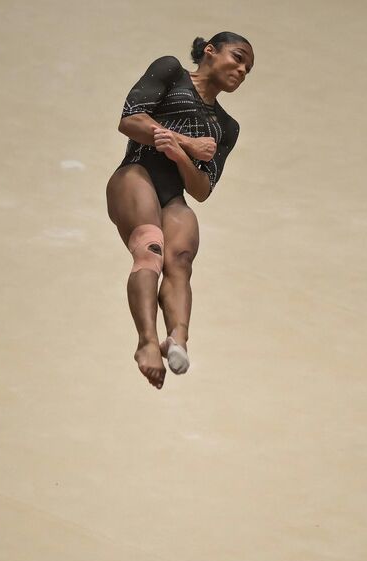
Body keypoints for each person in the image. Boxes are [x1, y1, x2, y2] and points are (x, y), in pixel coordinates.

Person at [106, 32, 254, 389]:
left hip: (175, 197)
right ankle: (145, 342)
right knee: (150, 248)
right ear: (209, 51)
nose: (242, 69)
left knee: (181, 262)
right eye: (237, 57)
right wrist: (184, 142)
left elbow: (201, 189)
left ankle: (178, 339)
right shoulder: (171, 71)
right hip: (136, 175)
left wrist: (179, 155)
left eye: (248, 68)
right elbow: (130, 120)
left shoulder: (227, 128)